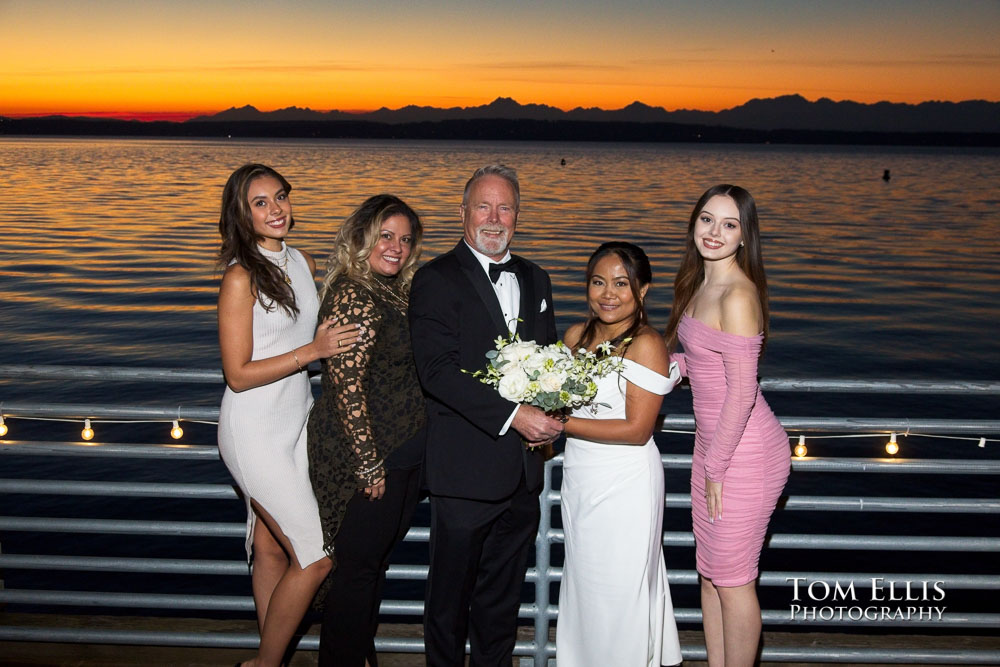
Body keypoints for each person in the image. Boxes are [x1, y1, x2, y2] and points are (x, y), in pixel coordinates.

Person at [408, 165, 564, 666]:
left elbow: (547, 363)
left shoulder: (536, 278)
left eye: (505, 208)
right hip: (465, 474)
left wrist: (556, 404)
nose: (494, 219)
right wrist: (515, 416)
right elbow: (436, 372)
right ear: (463, 214)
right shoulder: (435, 278)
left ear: (517, 216)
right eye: (483, 207)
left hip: (522, 475)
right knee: (449, 604)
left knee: (501, 604)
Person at [216, 163, 360, 667]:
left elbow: (314, 329)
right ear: (241, 213)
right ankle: (265, 664)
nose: (276, 209)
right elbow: (237, 373)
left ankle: (267, 650)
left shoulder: (301, 259)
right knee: (316, 558)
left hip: (296, 420)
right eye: (261, 203)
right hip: (254, 429)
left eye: (280, 197)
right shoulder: (241, 276)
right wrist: (313, 351)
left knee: (275, 551)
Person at [662, 185, 790, 666]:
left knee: (734, 580)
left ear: (744, 237)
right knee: (711, 573)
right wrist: (665, 369)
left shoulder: (738, 294)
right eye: (706, 220)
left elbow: (741, 390)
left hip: (742, 455)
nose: (714, 232)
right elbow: (702, 360)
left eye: (729, 224)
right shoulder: (700, 283)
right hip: (715, 449)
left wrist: (715, 467)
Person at [307, 194, 427, 667]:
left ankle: (360, 655)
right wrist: (368, 462)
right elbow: (345, 387)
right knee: (356, 573)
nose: (396, 247)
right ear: (362, 237)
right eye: (385, 235)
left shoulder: (392, 288)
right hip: (366, 458)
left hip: (398, 453)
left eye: (405, 239)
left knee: (372, 569)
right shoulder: (354, 293)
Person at [556, 242, 683, 666]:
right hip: (579, 477)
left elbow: (637, 429)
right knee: (586, 588)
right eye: (597, 282)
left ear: (642, 290)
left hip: (625, 483)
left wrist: (558, 425)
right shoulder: (575, 337)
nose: (607, 293)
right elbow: (555, 398)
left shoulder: (647, 344)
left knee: (619, 591)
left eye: (621, 284)